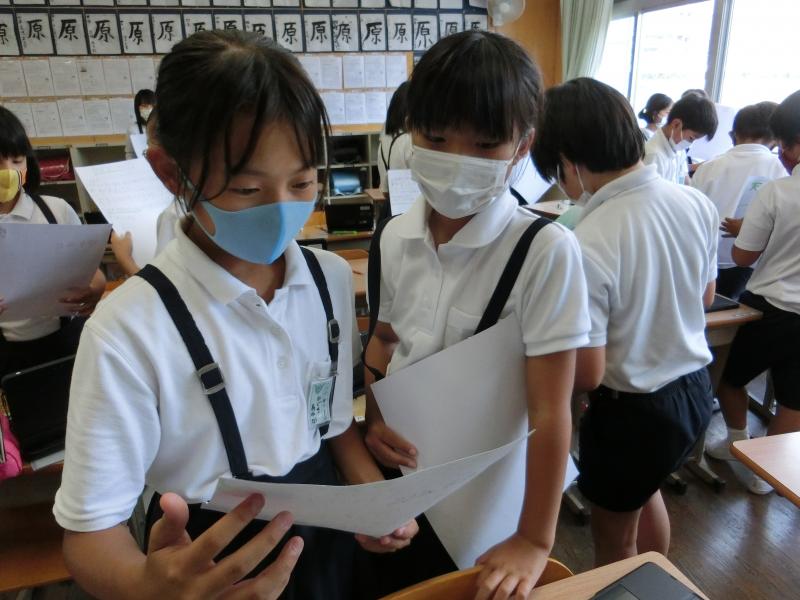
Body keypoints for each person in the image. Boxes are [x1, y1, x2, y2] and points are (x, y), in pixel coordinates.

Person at [53, 31, 417, 600]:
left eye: (302, 181)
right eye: (247, 189)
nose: (281, 208)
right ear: (171, 174)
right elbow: (89, 533)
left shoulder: (326, 280)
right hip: (205, 559)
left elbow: (330, 424)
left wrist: (374, 502)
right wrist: (147, 585)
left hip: (326, 544)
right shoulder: (127, 329)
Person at [363, 31, 590, 599]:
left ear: (522, 146)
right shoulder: (393, 236)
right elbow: (384, 341)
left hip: (482, 495)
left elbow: (551, 410)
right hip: (400, 475)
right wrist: (373, 417)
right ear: (410, 130)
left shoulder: (544, 251)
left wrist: (534, 539)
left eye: (486, 144)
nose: (458, 161)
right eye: (437, 138)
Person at [533, 78, 717, 567]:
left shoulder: (587, 238)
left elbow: (589, 372)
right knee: (645, 489)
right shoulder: (694, 201)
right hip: (694, 390)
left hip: (633, 412)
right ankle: (658, 582)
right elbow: (705, 297)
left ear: (569, 159)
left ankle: (635, 588)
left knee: (614, 542)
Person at [705, 90, 800, 495]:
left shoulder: (777, 192)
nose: (781, 154)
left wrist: (747, 229)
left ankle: (737, 442)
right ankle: (768, 474)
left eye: (783, 145)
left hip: (771, 306)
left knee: (728, 377)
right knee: (793, 400)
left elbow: (743, 256)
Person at [0, 107, 106, 379]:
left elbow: (92, 273)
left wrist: (95, 289)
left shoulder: (55, 210)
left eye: (17, 160)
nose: (8, 172)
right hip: (8, 354)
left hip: (66, 341)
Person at [691, 102, 785, 299]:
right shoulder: (778, 169)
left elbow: (692, 214)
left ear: (733, 135)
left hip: (703, 257)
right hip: (748, 261)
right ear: (775, 140)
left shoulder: (708, 167)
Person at [644, 93, 717, 184]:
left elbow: (685, 180)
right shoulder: (653, 156)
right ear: (676, 124)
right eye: (691, 138)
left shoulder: (678, 149)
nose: (690, 143)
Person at [378, 81, 412, 195]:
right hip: (410, 201)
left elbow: (384, 188)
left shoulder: (385, 135)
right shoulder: (409, 140)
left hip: (390, 201)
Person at [125, 89, 156, 159]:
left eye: (151, 106)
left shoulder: (163, 126)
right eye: (144, 106)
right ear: (137, 108)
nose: (149, 108)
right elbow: (130, 153)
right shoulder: (132, 129)